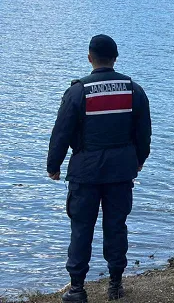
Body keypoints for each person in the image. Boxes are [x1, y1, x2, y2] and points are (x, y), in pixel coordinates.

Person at [47, 35, 151, 302]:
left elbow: (61, 132)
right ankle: (115, 285)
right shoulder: (133, 90)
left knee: (82, 228)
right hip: (120, 171)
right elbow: (144, 133)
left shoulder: (78, 91)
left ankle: (77, 289)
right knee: (116, 226)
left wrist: (54, 165)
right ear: (115, 58)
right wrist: (139, 160)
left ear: (89, 57)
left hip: (86, 172)